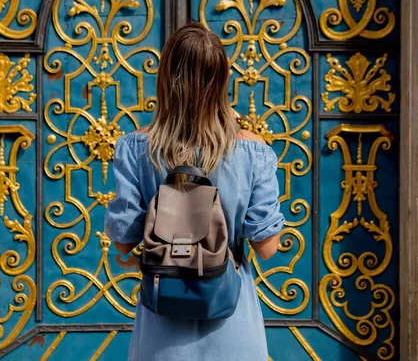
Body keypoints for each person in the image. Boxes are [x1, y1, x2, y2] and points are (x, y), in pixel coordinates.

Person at [104, 22, 285, 361]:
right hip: (231, 325)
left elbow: (123, 241)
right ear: (221, 80)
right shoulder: (253, 151)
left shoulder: (134, 148)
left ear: (165, 78)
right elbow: (267, 247)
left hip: (162, 332)